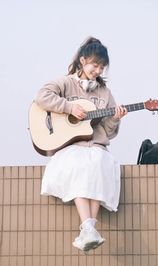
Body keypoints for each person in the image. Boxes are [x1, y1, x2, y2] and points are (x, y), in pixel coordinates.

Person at [34, 37, 127, 253]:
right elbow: (42, 96)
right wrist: (68, 108)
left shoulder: (105, 93)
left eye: (102, 67)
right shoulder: (65, 82)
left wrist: (115, 118)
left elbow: (109, 133)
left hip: (95, 145)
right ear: (83, 61)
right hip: (70, 146)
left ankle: (88, 230)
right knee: (79, 164)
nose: (98, 70)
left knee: (101, 162)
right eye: (95, 65)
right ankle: (88, 227)